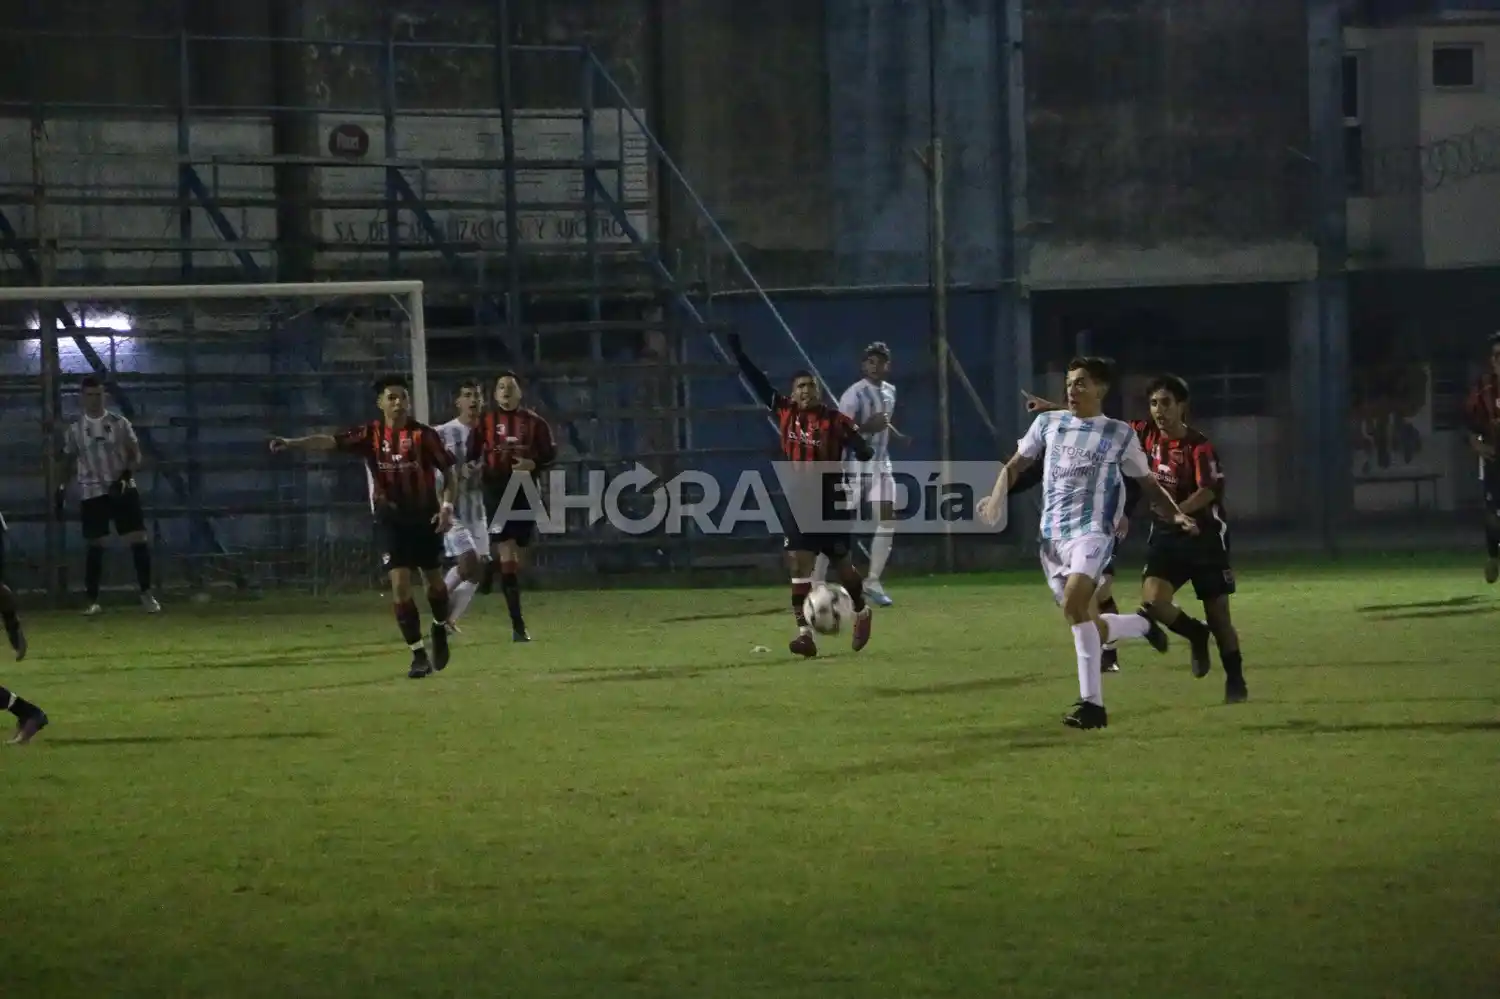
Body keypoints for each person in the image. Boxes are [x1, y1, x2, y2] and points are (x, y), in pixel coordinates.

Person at [978, 357, 1197, 730]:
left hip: (1092, 532)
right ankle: (1140, 625)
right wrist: (996, 498)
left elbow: (1148, 483)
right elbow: (1014, 466)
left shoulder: (1118, 434)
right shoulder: (1048, 424)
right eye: (1069, 383)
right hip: (1052, 539)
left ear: (1101, 389)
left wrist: (1175, 514)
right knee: (1088, 622)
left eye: (1080, 382)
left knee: (1074, 604)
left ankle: (1092, 706)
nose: (1072, 389)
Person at [270, 374, 456, 678]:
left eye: (403, 397)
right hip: (390, 519)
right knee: (399, 584)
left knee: (434, 583)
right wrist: (293, 443)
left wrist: (447, 507)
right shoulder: (370, 434)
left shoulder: (423, 436)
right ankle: (418, 655)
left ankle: (438, 626)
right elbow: (330, 441)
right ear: (380, 403)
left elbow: (449, 472)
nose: (398, 403)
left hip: (425, 517)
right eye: (392, 398)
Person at [728, 332, 875, 657]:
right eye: (800, 387)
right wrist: (740, 356)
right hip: (799, 501)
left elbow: (857, 441)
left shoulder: (834, 420)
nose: (805, 391)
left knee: (843, 566)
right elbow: (759, 383)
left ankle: (862, 610)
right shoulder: (785, 411)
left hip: (832, 499)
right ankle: (805, 635)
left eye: (810, 386)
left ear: (818, 390)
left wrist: (862, 448)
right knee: (798, 564)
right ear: (793, 393)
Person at [1129, 375, 1246, 703]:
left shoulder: (1199, 446)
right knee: (1153, 602)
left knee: (1219, 616)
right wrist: (1055, 408)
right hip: (1168, 534)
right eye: (1154, 403)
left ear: (1182, 406)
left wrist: (1177, 510)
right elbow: (1100, 422)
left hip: (1205, 536)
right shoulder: (1146, 433)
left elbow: (1207, 490)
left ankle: (1235, 679)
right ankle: (1195, 634)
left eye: (1166, 403)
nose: (1159, 410)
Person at [59, 375, 160, 615]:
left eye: (99, 395)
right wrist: (61, 487)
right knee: (96, 542)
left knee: (138, 537)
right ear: (82, 397)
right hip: (92, 490)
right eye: (90, 395)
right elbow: (68, 460)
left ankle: (146, 594)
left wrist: (125, 477)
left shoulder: (119, 423)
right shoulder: (75, 430)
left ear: (104, 396)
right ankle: (92, 599)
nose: (95, 400)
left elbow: (135, 454)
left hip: (122, 487)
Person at [468, 371, 556, 643]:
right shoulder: (485, 423)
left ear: (520, 392)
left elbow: (550, 454)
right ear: (495, 394)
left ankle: (491, 566)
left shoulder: (535, 423)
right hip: (496, 489)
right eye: (501, 387)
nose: (506, 391)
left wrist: (534, 463)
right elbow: (472, 454)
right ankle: (518, 625)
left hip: (525, 489)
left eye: (511, 386)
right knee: (508, 550)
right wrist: (471, 467)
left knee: (518, 550)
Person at [813, 342, 904, 606]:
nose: (875, 366)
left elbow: (883, 424)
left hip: (881, 465)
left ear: (888, 365)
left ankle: (873, 580)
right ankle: (816, 582)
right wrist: (866, 428)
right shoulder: (853, 395)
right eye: (870, 361)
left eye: (880, 361)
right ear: (863, 365)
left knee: (887, 519)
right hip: (853, 466)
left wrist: (893, 434)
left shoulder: (890, 391)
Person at [436, 380, 489, 633]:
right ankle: (438, 606)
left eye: (477, 396)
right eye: (467, 395)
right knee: (469, 561)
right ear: (458, 402)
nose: (473, 400)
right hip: (449, 508)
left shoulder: (489, 434)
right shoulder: (442, 433)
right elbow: (431, 471)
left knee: (477, 570)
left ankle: (447, 621)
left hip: (476, 509)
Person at [1461, 331, 1500, 585]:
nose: (1499, 360)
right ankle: (1494, 556)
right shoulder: (1483, 388)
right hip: (1494, 459)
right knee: (1491, 515)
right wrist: (1478, 445)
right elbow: (1469, 426)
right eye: (1496, 355)